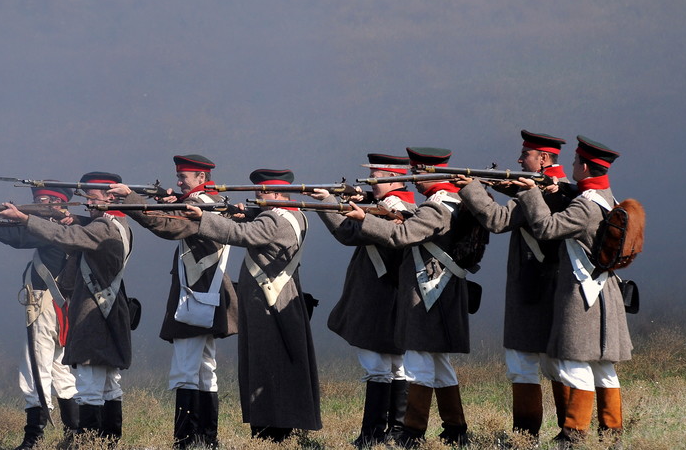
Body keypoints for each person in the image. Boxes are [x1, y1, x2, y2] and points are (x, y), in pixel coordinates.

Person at [344, 147, 473, 447]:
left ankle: (412, 433)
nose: (412, 178)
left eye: (417, 171)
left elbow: (401, 236)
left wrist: (365, 217)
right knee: (439, 366)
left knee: (418, 365)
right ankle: (456, 430)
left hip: (428, 293)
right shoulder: (449, 201)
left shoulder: (437, 206)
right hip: (438, 290)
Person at [108, 154, 238, 448]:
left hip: (196, 297)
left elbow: (167, 227)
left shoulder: (203, 205)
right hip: (206, 296)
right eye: (179, 177)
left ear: (201, 178)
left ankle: (186, 440)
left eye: (184, 177)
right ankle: (206, 438)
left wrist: (131, 197)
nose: (179, 182)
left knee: (185, 370)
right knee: (204, 369)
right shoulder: (208, 201)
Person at [185, 168, 322, 443]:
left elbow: (246, 235)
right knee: (277, 363)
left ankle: (271, 431)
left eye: (262, 191)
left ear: (276, 193)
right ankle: (280, 427)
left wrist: (205, 218)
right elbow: (258, 230)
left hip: (268, 306)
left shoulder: (275, 217)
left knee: (267, 365)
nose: (257, 195)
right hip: (274, 301)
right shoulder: (295, 215)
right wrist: (246, 214)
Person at [511, 136, 632, 445]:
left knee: (574, 363)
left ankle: (574, 433)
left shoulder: (584, 204)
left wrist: (529, 194)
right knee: (603, 367)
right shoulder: (603, 196)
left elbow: (547, 229)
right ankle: (611, 434)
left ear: (585, 166)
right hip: (604, 293)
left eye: (577, 162)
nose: (573, 166)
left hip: (582, 296)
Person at [0, 171, 134, 446]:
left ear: (109, 197)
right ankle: (106, 443)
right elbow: (76, 229)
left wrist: (26, 219)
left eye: (91, 197)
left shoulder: (103, 228)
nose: (86, 203)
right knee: (108, 384)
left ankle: (87, 443)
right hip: (108, 312)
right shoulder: (116, 223)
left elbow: (66, 235)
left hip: (94, 316)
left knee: (90, 386)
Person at [454, 130, 571, 439]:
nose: (520, 160)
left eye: (526, 155)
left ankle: (532, 434)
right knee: (547, 363)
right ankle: (563, 432)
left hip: (537, 287)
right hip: (546, 287)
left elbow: (499, 221)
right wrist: (503, 187)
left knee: (530, 363)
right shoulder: (562, 189)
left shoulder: (548, 191)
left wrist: (471, 189)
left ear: (543, 159)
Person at [0, 185, 79, 450]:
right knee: (60, 372)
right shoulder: (69, 229)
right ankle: (75, 435)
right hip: (61, 310)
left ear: (58, 204)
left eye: (43, 201)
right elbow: (15, 231)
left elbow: (16, 237)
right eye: (36, 200)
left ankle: (33, 438)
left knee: (34, 371)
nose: (36, 204)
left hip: (45, 308)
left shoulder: (53, 229)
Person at [309, 153, 416, 448]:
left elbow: (349, 234)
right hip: (389, 295)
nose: (371, 182)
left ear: (394, 180)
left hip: (378, 297)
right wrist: (354, 196)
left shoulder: (396, 210)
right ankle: (396, 431)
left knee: (377, 366)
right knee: (396, 366)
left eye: (377, 178)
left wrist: (326, 203)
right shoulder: (396, 205)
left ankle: (372, 434)